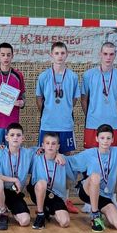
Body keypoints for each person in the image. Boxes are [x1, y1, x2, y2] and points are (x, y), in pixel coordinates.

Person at [68, 124, 117, 233]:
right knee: (95, 176)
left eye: (108, 138)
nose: (105, 141)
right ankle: (95, 215)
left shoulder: (116, 152)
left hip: (104, 195)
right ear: (97, 139)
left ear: (112, 139)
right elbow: (70, 161)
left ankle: (99, 211)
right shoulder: (89, 153)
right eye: (102, 138)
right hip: (86, 191)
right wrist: (57, 155)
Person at [81, 41, 117, 213]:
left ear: (115, 55)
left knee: (112, 163)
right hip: (92, 124)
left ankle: (111, 197)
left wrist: (110, 112)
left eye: (111, 54)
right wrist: (91, 115)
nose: (108, 57)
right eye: (105, 53)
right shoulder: (88, 75)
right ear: (100, 54)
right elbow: (84, 98)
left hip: (112, 124)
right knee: (91, 161)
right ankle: (88, 199)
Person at [36, 41, 80, 213]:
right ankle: (45, 197)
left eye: (62, 53)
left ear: (67, 55)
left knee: (65, 161)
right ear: (51, 55)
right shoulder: (43, 76)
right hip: (48, 124)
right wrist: (49, 113)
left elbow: (74, 99)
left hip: (66, 125)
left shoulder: (73, 77)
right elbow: (39, 99)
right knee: (44, 159)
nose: (60, 56)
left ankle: (65, 198)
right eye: (57, 53)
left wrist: (64, 111)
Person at [0, 42, 25, 207]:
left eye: (8, 55)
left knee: (10, 158)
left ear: (12, 56)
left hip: (11, 125)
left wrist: (20, 103)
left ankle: (9, 194)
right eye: (3, 55)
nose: (6, 58)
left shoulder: (18, 75)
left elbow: (23, 99)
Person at [0, 122, 34, 231]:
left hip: (15, 193)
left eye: (18, 135)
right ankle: (3, 212)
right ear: (7, 138)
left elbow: (47, 149)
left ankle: (8, 207)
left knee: (25, 221)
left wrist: (58, 155)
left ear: (23, 138)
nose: (15, 137)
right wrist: (14, 179)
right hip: (0, 190)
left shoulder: (28, 153)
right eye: (12, 135)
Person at [27, 132, 73, 230]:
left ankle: (47, 209)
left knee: (65, 222)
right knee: (42, 183)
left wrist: (59, 154)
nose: (50, 146)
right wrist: (37, 149)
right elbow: (22, 151)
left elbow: (78, 162)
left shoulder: (63, 159)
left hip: (55, 195)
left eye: (53, 143)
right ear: (43, 145)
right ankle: (40, 214)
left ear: (58, 146)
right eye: (47, 143)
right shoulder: (36, 156)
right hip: (38, 190)